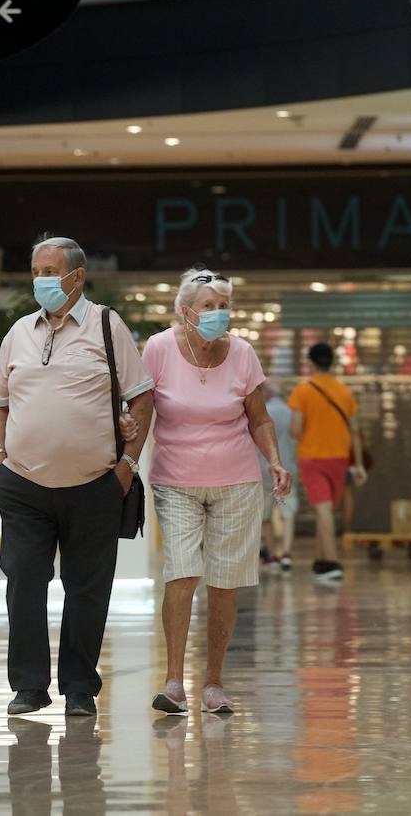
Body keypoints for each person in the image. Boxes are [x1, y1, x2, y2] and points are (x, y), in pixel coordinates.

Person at [0, 236, 155, 717]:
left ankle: (80, 689)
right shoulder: (18, 332)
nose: (40, 280)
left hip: (94, 485)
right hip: (23, 485)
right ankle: (28, 686)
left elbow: (141, 396)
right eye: (36, 271)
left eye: (49, 271)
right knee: (23, 580)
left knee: (87, 588)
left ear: (76, 276)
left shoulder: (107, 324)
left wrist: (128, 464)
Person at [142, 268, 292, 716]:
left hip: (238, 481)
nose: (219, 314)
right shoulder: (159, 349)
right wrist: (126, 455)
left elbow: (259, 417)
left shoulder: (242, 354)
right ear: (185, 311)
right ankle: (173, 681)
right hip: (176, 479)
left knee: (225, 583)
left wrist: (276, 461)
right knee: (183, 573)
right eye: (209, 306)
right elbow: (142, 409)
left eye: (224, 306)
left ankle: (214, 682)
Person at [288, 343, 367, 582]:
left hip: (313, 457)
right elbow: (355, 431)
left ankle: (332, 562)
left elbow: (294, 430)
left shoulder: (303, 391)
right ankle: (321, 560)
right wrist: (360, 464)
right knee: (327, 510)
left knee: (322, 510)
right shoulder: (344, 392)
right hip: (340, 458)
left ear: (310, 362)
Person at [259, 379, 300, 571]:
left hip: (263, 468)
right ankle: (286, 553)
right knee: (287, 513)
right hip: (287, 467)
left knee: (265, 515)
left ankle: (272, 553)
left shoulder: (260, 413)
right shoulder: (291, 413)